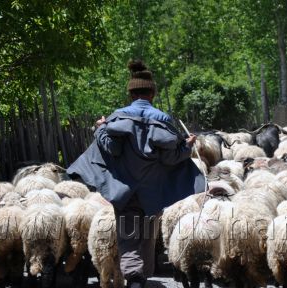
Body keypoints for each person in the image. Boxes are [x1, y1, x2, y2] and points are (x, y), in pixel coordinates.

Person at [67, 60, 205, 288]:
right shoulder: (163, 120)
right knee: (147, 236)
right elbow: (170, 158)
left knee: (128, 237)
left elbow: (111, 148)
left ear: (131, 94)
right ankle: (143, 276)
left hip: (125, 192)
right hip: (154, 193)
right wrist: (187, 146)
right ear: (152, 93)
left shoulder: (118, 118)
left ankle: (134, 278)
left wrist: (101, 127)